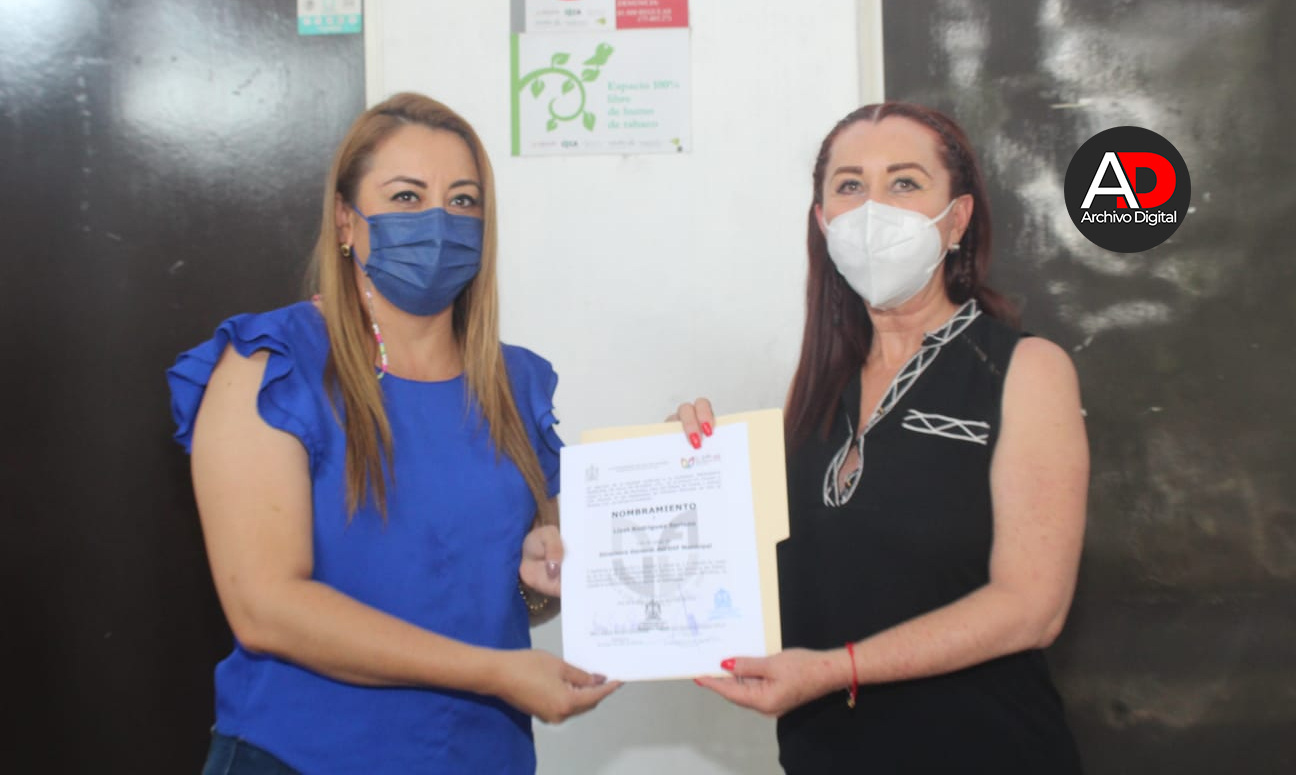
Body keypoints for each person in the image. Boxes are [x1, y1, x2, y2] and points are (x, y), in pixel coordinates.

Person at [167, 93, 618, 775]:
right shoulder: (273, 364)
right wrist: (492, 671)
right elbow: (265, 607)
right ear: (346, 219)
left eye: (463, 201)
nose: (439, 220)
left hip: (480, 758)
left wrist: (544, 580)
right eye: (407, 197)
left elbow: (524, 595)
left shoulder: (516, 385)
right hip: (299, 757)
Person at [683, 102, 1089, 772]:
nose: (873, 209)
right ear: (823, 221)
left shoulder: (1023, 369)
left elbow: (1031, 608)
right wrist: (684, 472)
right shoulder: (814, 392)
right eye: (850, 185)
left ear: (957, 218)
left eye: (904, 182)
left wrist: (837, 670)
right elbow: (772, 580)